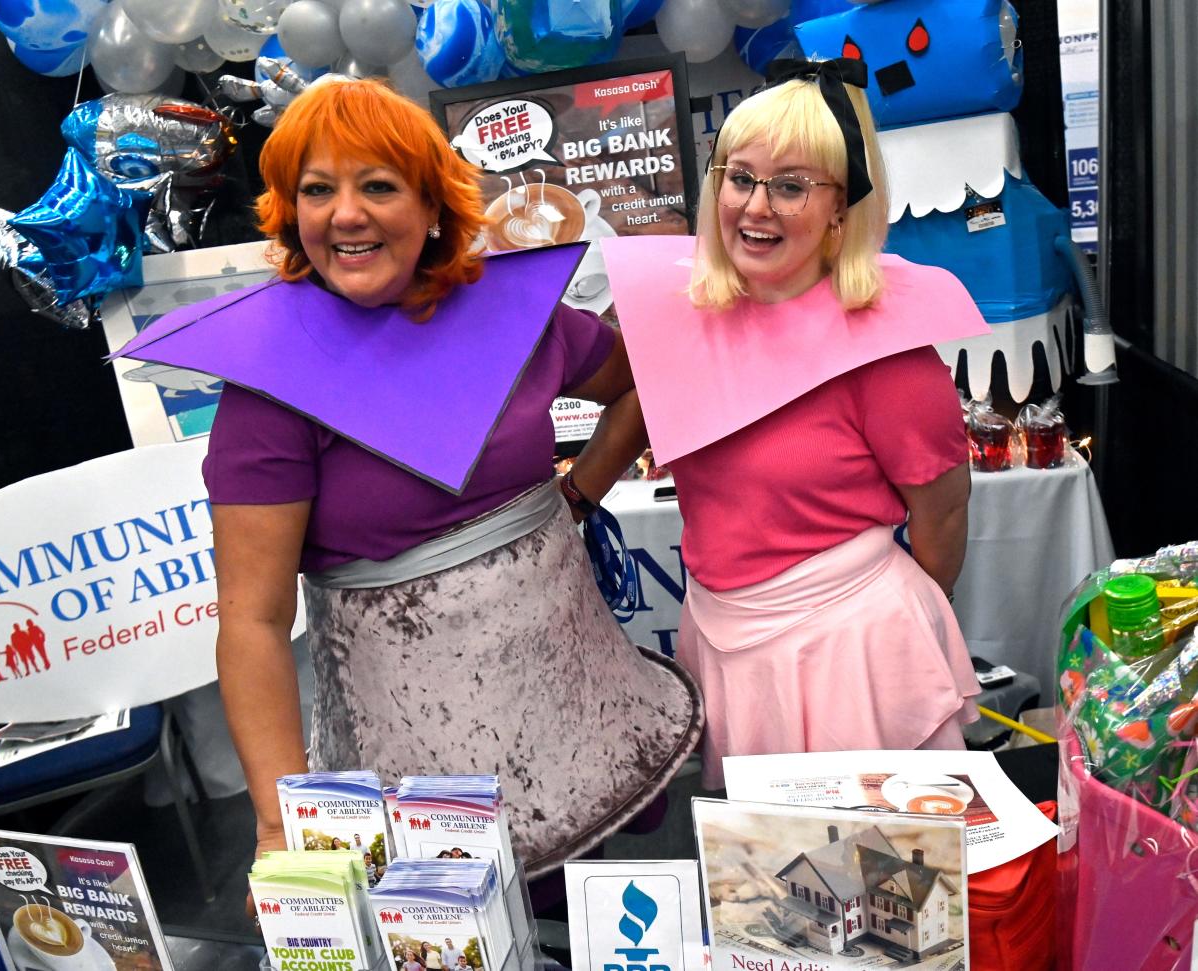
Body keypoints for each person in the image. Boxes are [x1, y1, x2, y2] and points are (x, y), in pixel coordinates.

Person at [155, 79, 702, 879]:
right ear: (287, 209)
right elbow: (252, 624)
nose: (345, 214)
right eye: (317, 190)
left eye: (377, 185)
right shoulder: (270, 381)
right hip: (421, 761)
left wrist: (579, 491)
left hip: (580, 703)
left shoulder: (512, 312)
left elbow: (642, 380)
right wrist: (279, 832)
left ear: (433, 205)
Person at [610, 59, 983, 790]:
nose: (755, 206)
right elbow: (634, 401)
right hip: (723, 629)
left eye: (790, 186)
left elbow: (943, 515)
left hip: (850, 645)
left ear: (842, 211)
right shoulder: (692, 315)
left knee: (880, 886)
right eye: (739, 177)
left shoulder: (888, 351)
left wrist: (879, 635)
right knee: (764, 889)